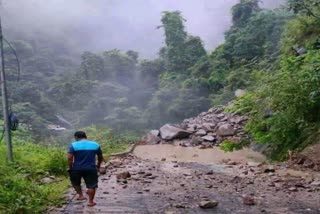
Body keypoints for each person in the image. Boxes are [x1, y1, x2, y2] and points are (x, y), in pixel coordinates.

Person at [67, 131, 104, 207]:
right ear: (85, 136)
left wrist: (70, 167)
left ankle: (81, 195)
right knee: (91, 185)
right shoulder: (95, 144)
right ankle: (90, 202)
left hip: (77, 168)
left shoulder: (73, 145)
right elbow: (100, 157)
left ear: (76, 137)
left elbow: (70, 158)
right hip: (91, 168)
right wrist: (98, 165)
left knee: (75, 182)